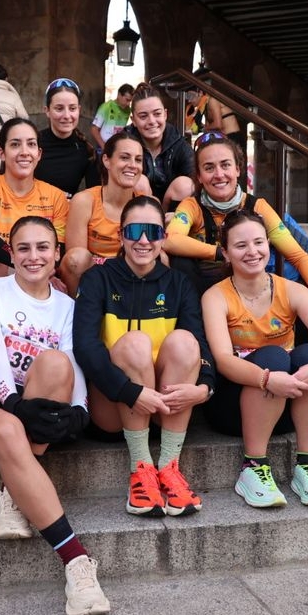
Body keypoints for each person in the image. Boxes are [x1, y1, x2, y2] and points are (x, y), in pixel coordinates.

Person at [0, 215, 110, 615]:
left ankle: (13, 491)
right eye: (23, 248)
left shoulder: (68, 307)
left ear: (57, 254)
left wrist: (81, 409)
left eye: (43, 247)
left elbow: (73, 362)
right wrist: (11, 403)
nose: (33, 256)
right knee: (8, 429)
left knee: (55, 362)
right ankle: (76, 561)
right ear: (11, 253)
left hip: (40, 398)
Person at [72, 195, 215, 519]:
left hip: (163, 406)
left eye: (152, 231)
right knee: (134, 343)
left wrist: (205, 387)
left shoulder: (178, 282)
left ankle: (169, 466)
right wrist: (130, 391)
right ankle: (140, 468)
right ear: (120, 234)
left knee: (185, 342)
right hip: (114, 403)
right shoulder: (97, 278)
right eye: (134, 231)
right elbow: (85, 346)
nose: (143, 240)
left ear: (163, 236)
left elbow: (201, 345)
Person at [201, 209, 308, 508]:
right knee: (273, 357)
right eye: (241, 245)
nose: (252, 251)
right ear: (226, 253)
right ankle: (253, 466)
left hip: (287, 406)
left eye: (259, 242)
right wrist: (267, 378)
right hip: (234, 408)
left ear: (268, 246)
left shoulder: (291, 290)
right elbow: (223, 359)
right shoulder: (215, 296)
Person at [164, 132, 308, 326]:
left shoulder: (257, 206)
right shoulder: (191, 206)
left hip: (248, 289)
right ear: (199, 176)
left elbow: (298, 255)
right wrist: (220, 253)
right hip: (204, 291)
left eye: (225, 165)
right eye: (209, 168)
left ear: (238, 169)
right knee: (180, 261)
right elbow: (170, 239)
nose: (219, 174)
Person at [0, 118, 70, 294]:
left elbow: (59, 248)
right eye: (15, 144)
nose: (24, 152)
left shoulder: (56, 196)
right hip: (2, 264)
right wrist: (19, 259)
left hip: (38, 269)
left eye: (31, 144)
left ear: (39, 154)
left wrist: (38, 265)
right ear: (2, 153)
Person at [57, 131, 149, 292]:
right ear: (106, 160)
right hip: (92, 280)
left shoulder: (147, 204)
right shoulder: (84, 201)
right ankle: (78, 307)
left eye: (138, 160)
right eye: (125, 157)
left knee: (161, 257)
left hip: (132, 277)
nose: (133, 165)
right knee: (76, 258)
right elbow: (75, 260)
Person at [123, 83, 196, 211]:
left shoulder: (179, 144)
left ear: (165, 115)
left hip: (172, 214)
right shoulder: (124, 143)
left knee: (185, 184)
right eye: (143, 116)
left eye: (157, 114)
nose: (152, 121)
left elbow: (196, 179)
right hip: (135, 212)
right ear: (133, 120)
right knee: (139, 182)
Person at [35, 77, 97, 196]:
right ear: (47, 111)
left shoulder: (86, 150)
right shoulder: (33, 143)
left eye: (72, 108)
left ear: (79, 110)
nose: (67, 115)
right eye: (59, 109)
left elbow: (94, 195)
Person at [91, 84, 134, 151]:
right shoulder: (106, 107)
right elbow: (94, 129)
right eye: (127, 100)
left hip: (117, 147)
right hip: (104, 146)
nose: (128, 104)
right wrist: (104, 147)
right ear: (119, 95)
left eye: (130, 101)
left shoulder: (128, 110)